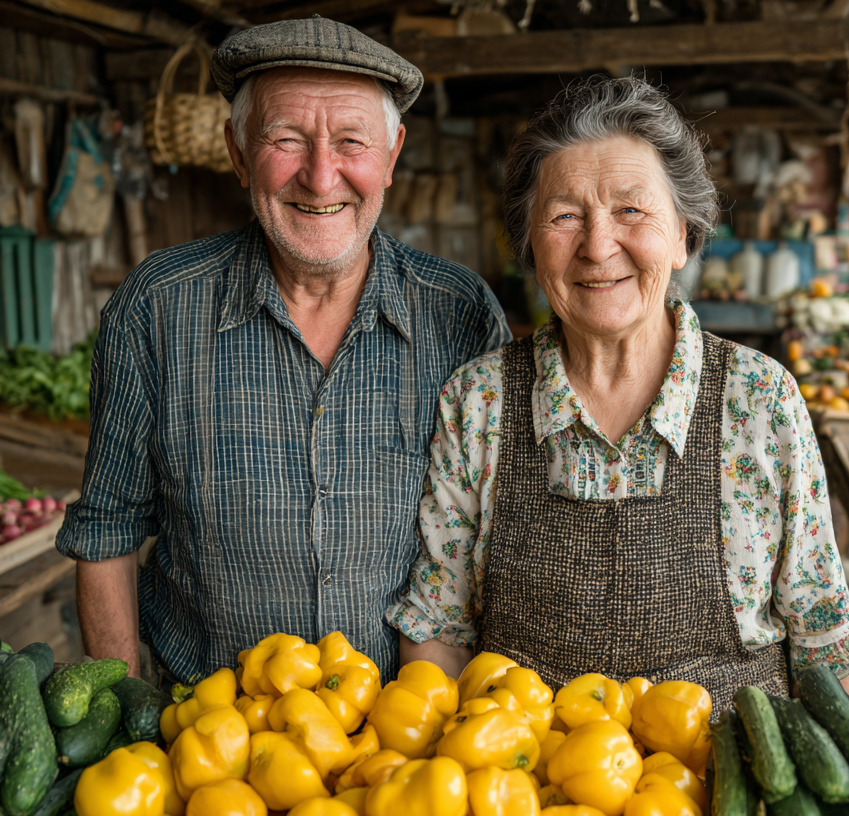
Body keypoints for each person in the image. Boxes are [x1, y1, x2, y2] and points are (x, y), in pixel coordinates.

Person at [388, 77, 849, 710]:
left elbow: (823, 644)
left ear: (683, 237)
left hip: (734, 760)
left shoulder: (760, 399)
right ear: (531, 242)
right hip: (530, 764)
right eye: (564, 216)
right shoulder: (478, 402)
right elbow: (439, 631)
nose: (597, 246)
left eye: (631, 211)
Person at [56, 18, 509, 684]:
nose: (321, 178)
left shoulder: (461, 315)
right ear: (239, 153)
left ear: (391, 156)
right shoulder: (157, 307)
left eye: (351, 142)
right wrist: (122, 709)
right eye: (286, 140)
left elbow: (497, 543)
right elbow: (106, 532)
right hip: (207, 724)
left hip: (408, 729)